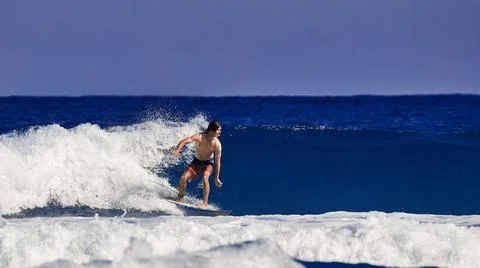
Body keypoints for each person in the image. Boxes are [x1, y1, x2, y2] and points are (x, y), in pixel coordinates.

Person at [172, 121, 223, 208]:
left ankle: (205, 203)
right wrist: (177, 150)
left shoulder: (217, 144)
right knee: (183, 178)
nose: (220, 132)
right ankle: (180, 198)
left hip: (208, 163)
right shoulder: (200, 137)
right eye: (218, 130)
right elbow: (184, 141)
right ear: (212, 130)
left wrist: (216, 178)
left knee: (205, 177)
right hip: (196, 162)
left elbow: (217, 162)